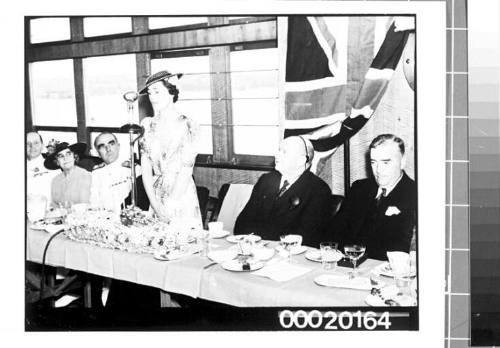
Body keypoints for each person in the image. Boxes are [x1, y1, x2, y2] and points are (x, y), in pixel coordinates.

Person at [234, 136, 332, 248]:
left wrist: (262, 241)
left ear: (301, 160)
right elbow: (242, 222)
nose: (277, 155)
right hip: (255, 250)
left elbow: (307, 237)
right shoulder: (266, 180)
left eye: (284, 152)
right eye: (279, 150)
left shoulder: (318, 190)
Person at [330, 134, 416, 260]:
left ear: (402, 162)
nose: (378, 170)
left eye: (386, 162)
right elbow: (334, 232)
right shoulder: (359, 188)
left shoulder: (415, 195)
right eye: (373, 162)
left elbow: (401, 250)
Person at [138, 70, 202, 227]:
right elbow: (146, 170)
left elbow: (187, 169)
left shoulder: (188, 125)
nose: (152, 97)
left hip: (181, 195)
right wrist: (155, 205)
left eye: (157, 91)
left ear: (171, 92)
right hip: (156, 194)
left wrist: (170, 204)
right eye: (150, 92)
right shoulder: (147, 125)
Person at [90, 132, 149, 213]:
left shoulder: (134, 169)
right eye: (102, 146)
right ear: (98, 153)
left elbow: (144, 202)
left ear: (118, 147)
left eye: (111, 144)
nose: (108, 149)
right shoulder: (95, 174)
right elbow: (94, 204)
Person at [44, 142, 92, 206]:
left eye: (68, 154)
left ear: (74, 157)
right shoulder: (55, 180)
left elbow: (85, 205)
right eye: (61, 156)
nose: (65, 158)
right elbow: (54, 205)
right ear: (57, 162)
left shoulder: (86, 176)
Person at [27, 132, 57, 202]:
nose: (32, 146)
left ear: (42, 146)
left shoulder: (52, 166)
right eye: (27, 143)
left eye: (36, 143)